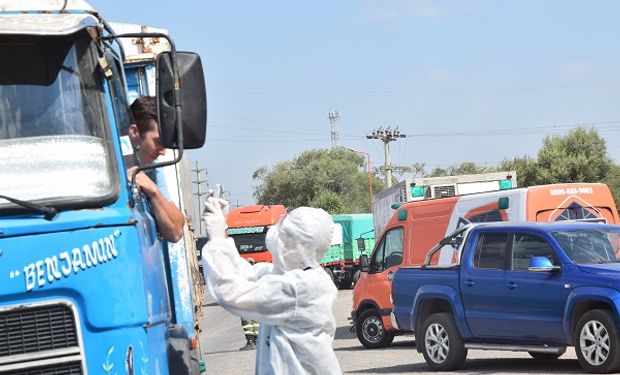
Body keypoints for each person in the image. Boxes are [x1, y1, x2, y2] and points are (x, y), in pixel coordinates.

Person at [201, 197, 342, 374]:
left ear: (299, 247)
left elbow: (232, 293)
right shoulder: (287, 276)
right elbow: (245, 274)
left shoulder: (303, 287)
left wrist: (216, 240)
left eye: (285, 236)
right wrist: (222, 231)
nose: (278, 239)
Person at [128, 96, 184, 243]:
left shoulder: (151, 169)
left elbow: (176, 231)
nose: (163, 152)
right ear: (135, 132)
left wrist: (153, 192)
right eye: (158, 142)